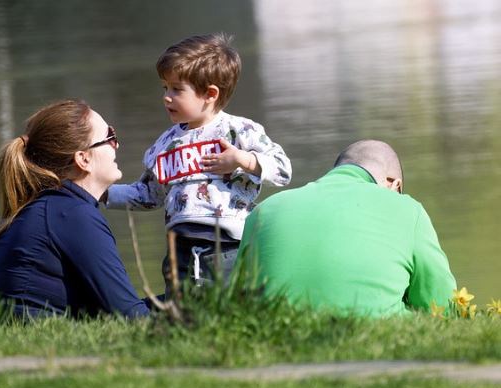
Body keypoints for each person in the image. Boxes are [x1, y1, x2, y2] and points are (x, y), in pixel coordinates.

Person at [105, 33, 292, 294]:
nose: (166, 97)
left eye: (177, 89)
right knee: (181, 310)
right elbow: (147, 194)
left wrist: (243, 160)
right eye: (165, 88)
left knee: (232, 305)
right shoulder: (166, 143)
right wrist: (100, 193)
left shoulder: (240, 131)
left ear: (210, 94)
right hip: (178, 245)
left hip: (228, 244)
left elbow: (283, 169)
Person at [235, 139, 457, 316]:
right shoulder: (407, 208)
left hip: (278, 334)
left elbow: (240, 300)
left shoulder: (264, 210)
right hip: (376, 336)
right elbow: (441, 305)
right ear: (394, 184)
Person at [0, 99, 150, 318]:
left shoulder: (51, 209)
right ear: (83, 159)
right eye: (110, 137)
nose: (117, 145)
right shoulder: (73, 215)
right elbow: (132, 316)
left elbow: (113, 312)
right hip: (37, 347)